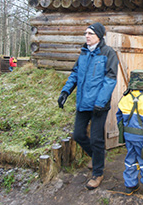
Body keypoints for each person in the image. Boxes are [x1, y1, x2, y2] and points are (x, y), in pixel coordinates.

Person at [57, 22, 119, 190]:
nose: (87, 36)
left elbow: (110, 79)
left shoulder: (108, 53)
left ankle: (98, 173)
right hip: (83, 102)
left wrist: (100, 102)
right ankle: (96, 156)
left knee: (97, 138)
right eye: (86, 33)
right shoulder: (83, 53)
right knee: (78, 134)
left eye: (90, 33)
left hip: (99, 105)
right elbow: (75, 74)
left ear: (99, 36)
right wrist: (65, 92)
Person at [116, 70, 143, 196]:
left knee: (130, 159)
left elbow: (119, 118)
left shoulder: (124, 99)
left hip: (129, 136)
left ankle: (130, 186)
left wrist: (123, 134)